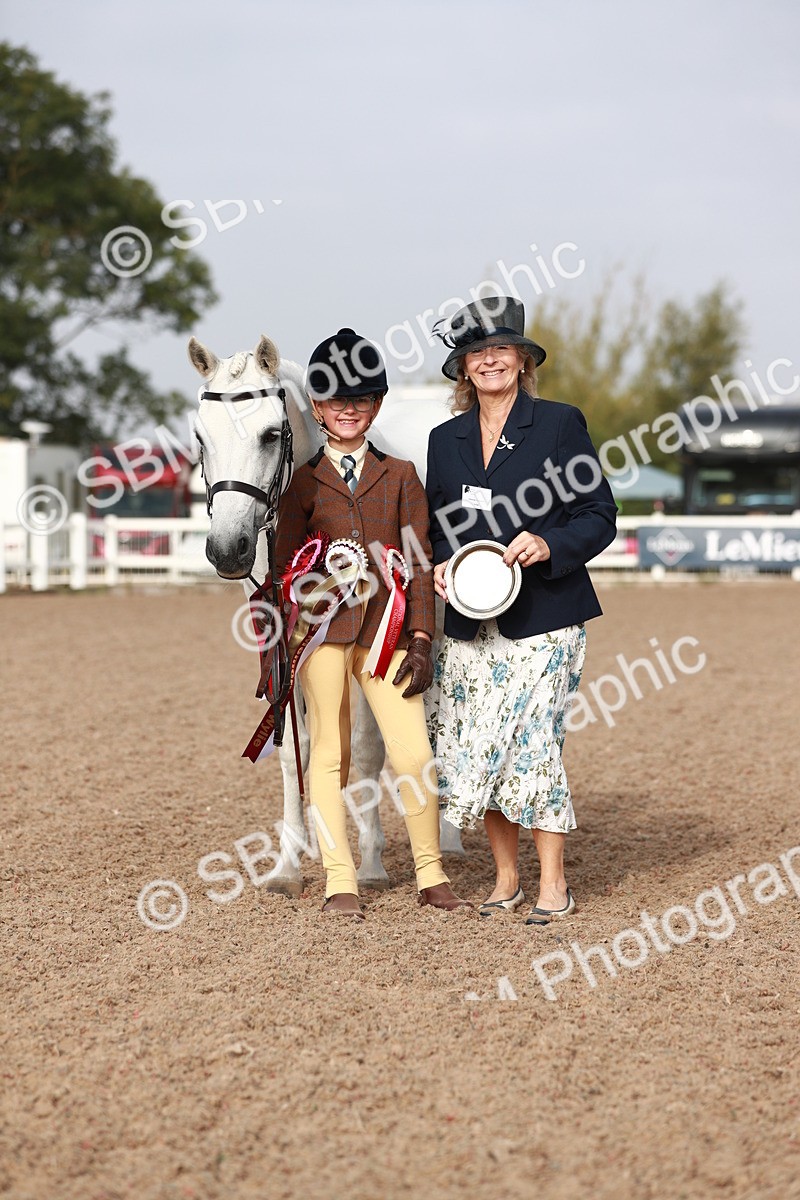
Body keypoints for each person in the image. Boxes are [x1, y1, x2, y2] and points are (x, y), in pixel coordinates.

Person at [425, 296, 617, 925]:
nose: (489, 361)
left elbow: (599, 517)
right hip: (469, 625)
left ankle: (553, 885)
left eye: (501, 350)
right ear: (462, 367)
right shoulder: (443, 440)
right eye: (477, 352)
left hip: (546, 617)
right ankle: (506, 879)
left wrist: (549, 542)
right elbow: (438, 526)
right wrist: (442, 563)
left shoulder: (560, 424)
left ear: (522, 360)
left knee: (533, 746)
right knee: (480, 747)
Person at [273, 327, 470, 920]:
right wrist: (306, 597)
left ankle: (431, 872)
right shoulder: (301, 483)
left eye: (360, 399)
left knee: (412, 754)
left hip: (387, 633)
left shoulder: (404, 475)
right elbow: (284, 566)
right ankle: (340, 880)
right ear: (318, 409)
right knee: (327, 753)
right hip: (324, 634)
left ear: (376, 404)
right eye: (335, 401)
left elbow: (418, 559)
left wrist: (421, 637)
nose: (348, 409)